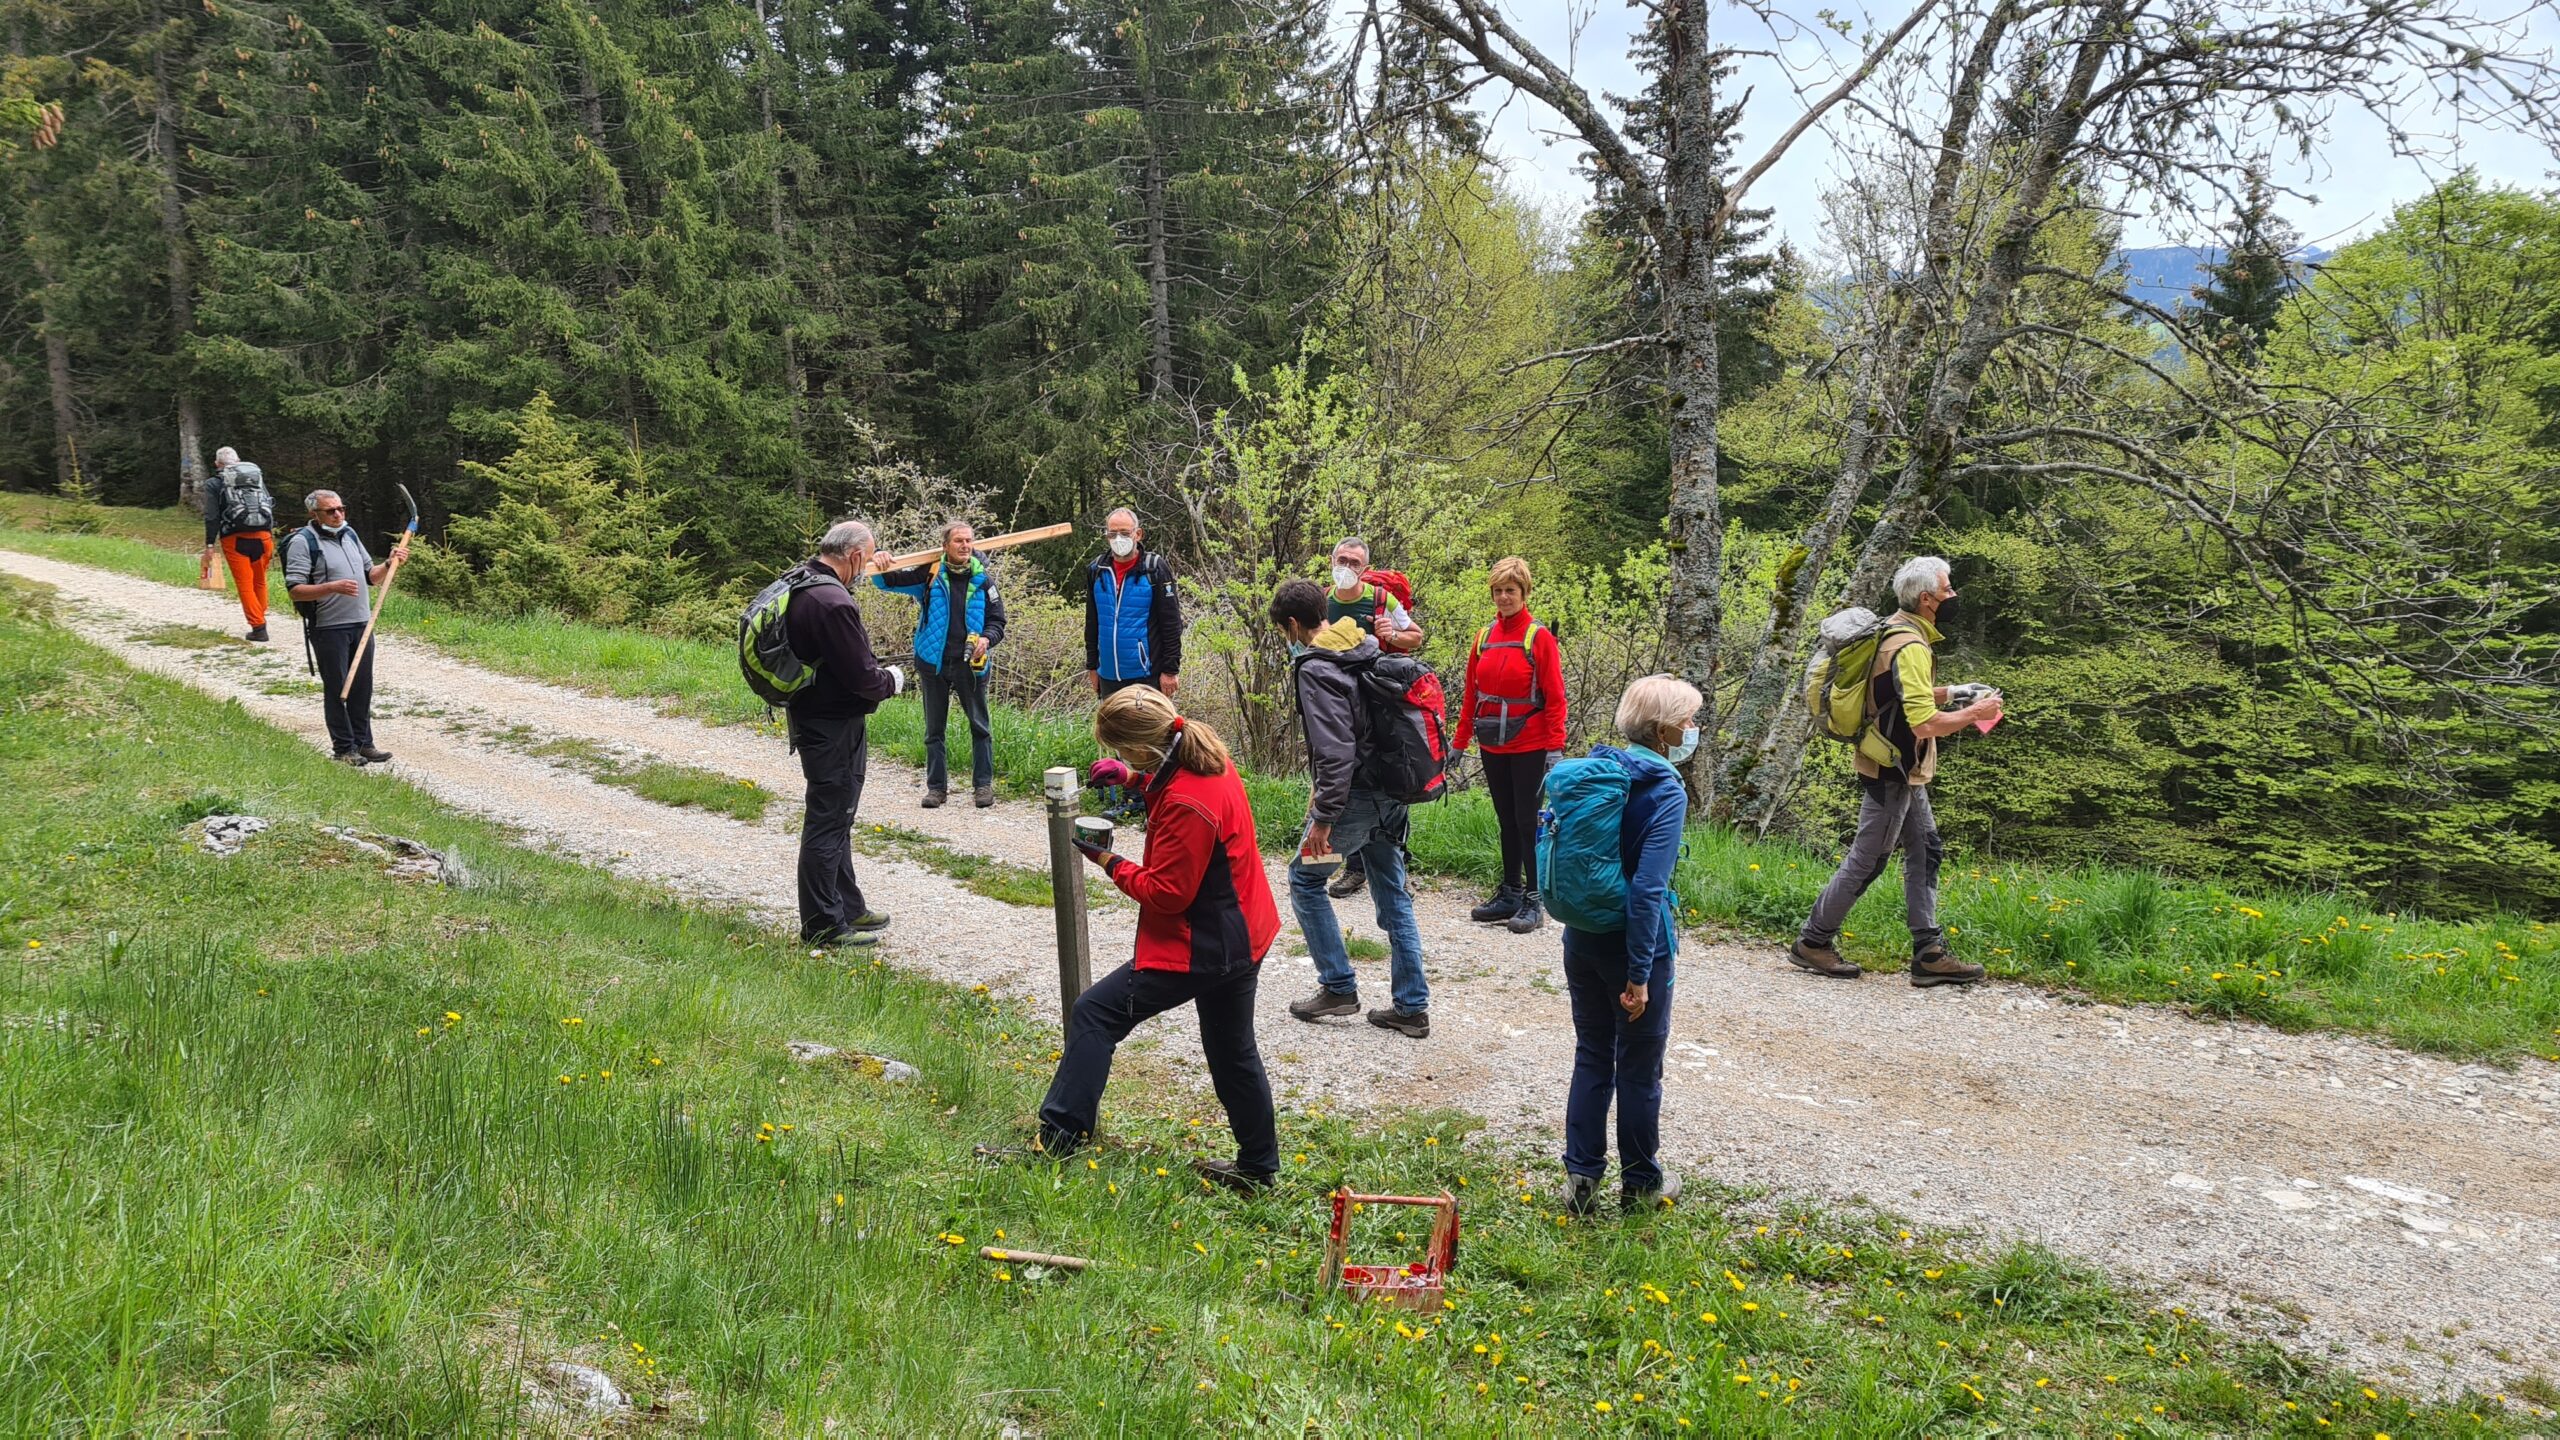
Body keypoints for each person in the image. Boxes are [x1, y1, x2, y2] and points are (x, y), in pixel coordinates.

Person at [1043, 687, 1281, 1193]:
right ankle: (1258, 1170)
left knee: (1095, 1013)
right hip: (1243, 933)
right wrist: (1133, 780)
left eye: (1121, 752)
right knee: (1233, 1051)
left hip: (1204, 944)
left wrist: (1109, 861)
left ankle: (1058, 1141)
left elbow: (1168, 894)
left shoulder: (1188, 803)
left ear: (1139, 745)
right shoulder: (1205, 755)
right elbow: (1173, 785)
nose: (1121, 757)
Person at [1788, 555, 2003, 987]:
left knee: (1926, 849)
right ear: (1926, 599)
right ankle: (1813, 941)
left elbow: (1896, 692)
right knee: (1869, 859)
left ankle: (1929, 953)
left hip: (1897, 763)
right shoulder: (1910, 646)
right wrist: (1974, 713)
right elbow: (1924, 723)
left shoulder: (1892, 629)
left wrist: (1955, 691)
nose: (1953, 595)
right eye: (1947, 589)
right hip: (1893, 767)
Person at [1552, 674, 1699, 1215]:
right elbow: (1647, 890)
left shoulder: (1599, 773)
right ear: (1663, 732)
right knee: (1638, 1067)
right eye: (1687, 721)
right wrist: (1639, 975)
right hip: (1634, 947)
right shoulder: (1664, 790)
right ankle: (1640, 1184)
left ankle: (1581, 1178)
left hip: (1581, 937)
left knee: (1592, 1054)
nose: (1693, 729)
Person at [1270, 578, 1431, 1038]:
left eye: (1284, 631)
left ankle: (1338, 986)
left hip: (1355, 799)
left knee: (1304, 879)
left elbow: (1335, 750)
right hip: (1391, 792)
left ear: (1294, 624)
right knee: (1393, 893)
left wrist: (1323, 818)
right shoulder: (1362, 644)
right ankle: (1411, 1006)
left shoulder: (1316, 668)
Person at [782, 520, 907, 949]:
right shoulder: (833, 602)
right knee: (828, 820)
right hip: (832, 725)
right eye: (868, 559)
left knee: (839, 818)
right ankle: (822, 925)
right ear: (854, 556)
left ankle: (848, 907)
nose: (867, 567)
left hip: (815, 716)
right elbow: (863, 679)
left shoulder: (802, 581)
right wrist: (893, 680)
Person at [1455, 556, 1568, 933]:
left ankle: (1534, 900)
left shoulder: (1538, 637)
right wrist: (1459, 742)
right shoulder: (1484, 637)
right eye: (1498, 590)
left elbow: (1555, 697)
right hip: (1493, 744)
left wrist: (1555, 749)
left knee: (1527, 820)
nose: (1504, 597)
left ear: (1524, 593)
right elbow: (1471, 695)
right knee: (1506, 820)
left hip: (1530, 744)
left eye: (1511, 590)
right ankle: (1510, 893)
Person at [874, 519, 1007, 808]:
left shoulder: (983, 580)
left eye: (969, 540)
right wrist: (879, 559)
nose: (965, 545)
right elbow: (887, 581)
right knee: (934, 731)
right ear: (945, 545)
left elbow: (998, 621)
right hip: (933, 663)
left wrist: (986, 639)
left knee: (980, 727)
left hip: (971, 665)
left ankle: (983, 786)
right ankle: (936, 789)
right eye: (959, 540)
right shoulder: (930, 575)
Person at [1321, 536, 1423, 900]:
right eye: (1342, 560)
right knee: (1339, 781)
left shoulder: (1382, 600)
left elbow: (1415, 637)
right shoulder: (1322, 600)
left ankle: (1395, 869)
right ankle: (1347, 867)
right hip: (1335, 707)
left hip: (1379, 707)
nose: (1347, 567)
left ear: (1365, 568)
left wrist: (1391, 633)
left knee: (1389, 782)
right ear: (1331, 560)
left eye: (1354, 562)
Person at [282, 488, 408, 765]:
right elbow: (295, 590)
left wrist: (389, 563)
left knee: (362, 687)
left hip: (362, 623)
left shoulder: (350, 535)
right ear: (314, 514)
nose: (338, 514)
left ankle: (364, 744)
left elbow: (371, 577)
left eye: (341, 509)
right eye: (331, 511)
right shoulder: (303, 542)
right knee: (338, 688)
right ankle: (343, 748)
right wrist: (332, 587)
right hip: (329, 627)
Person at [1084, 507, 1184, 818]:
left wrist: (1170, 669)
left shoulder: (1154, 569)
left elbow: (1171, 623)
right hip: (1109, 670)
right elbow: (1092, 621)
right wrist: (1092, 665)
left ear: (1138, 534)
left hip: (1146, 670)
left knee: (1151, 734)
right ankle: (1128, 796)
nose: (1118, 539)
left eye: (1124, 533)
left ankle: (1158, 796)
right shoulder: (1097, 570)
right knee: (1117, 733)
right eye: (1112, 533)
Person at [199, 446, 277, 642]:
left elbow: (212, 516)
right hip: (264, 536)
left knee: (245, 584)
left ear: (217, 464)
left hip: (234, 539)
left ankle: (258, 627)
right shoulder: (256, 478)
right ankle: (260, 616)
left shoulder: (214, 483)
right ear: (239, 460)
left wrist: (210, 544)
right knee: (259, 580)